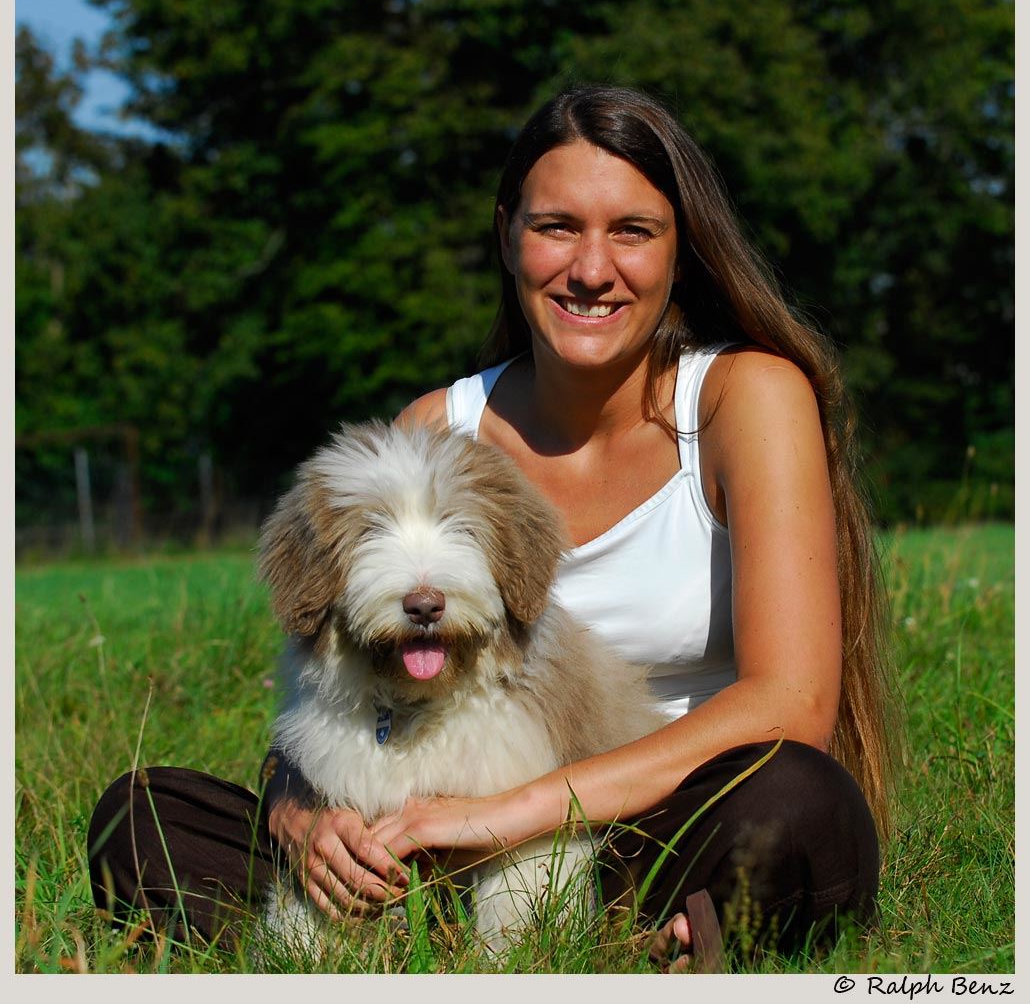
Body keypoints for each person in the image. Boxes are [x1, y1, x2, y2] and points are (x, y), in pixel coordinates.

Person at [88, 84, 897, 971]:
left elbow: (792, 706)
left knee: (800, 803)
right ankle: (429, 932)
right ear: (508, 233)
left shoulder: (747, 398)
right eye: (557, 227)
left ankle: (625, 930)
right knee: (141, 816)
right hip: (423, 841)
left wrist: (509, 816)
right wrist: (300, 817)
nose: (592, 269)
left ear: (682, 249)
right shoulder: (437, 428)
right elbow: (327, 697)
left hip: (662, 827)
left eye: (633, 231)